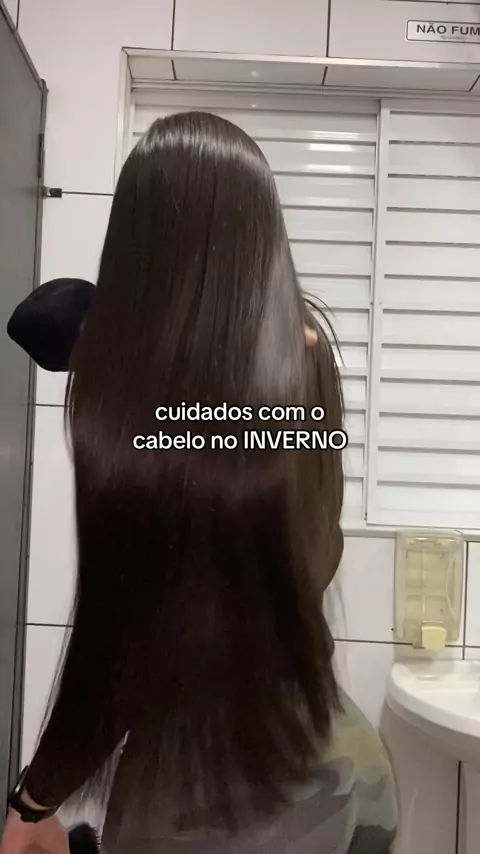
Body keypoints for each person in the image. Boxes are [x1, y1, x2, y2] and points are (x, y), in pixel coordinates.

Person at [1, 112, 398, 854]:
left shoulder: (132, 390)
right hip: (344, 765)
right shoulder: (307, 351)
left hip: (201, 793)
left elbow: (122, 631)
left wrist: (34, 798)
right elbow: (314, 555)